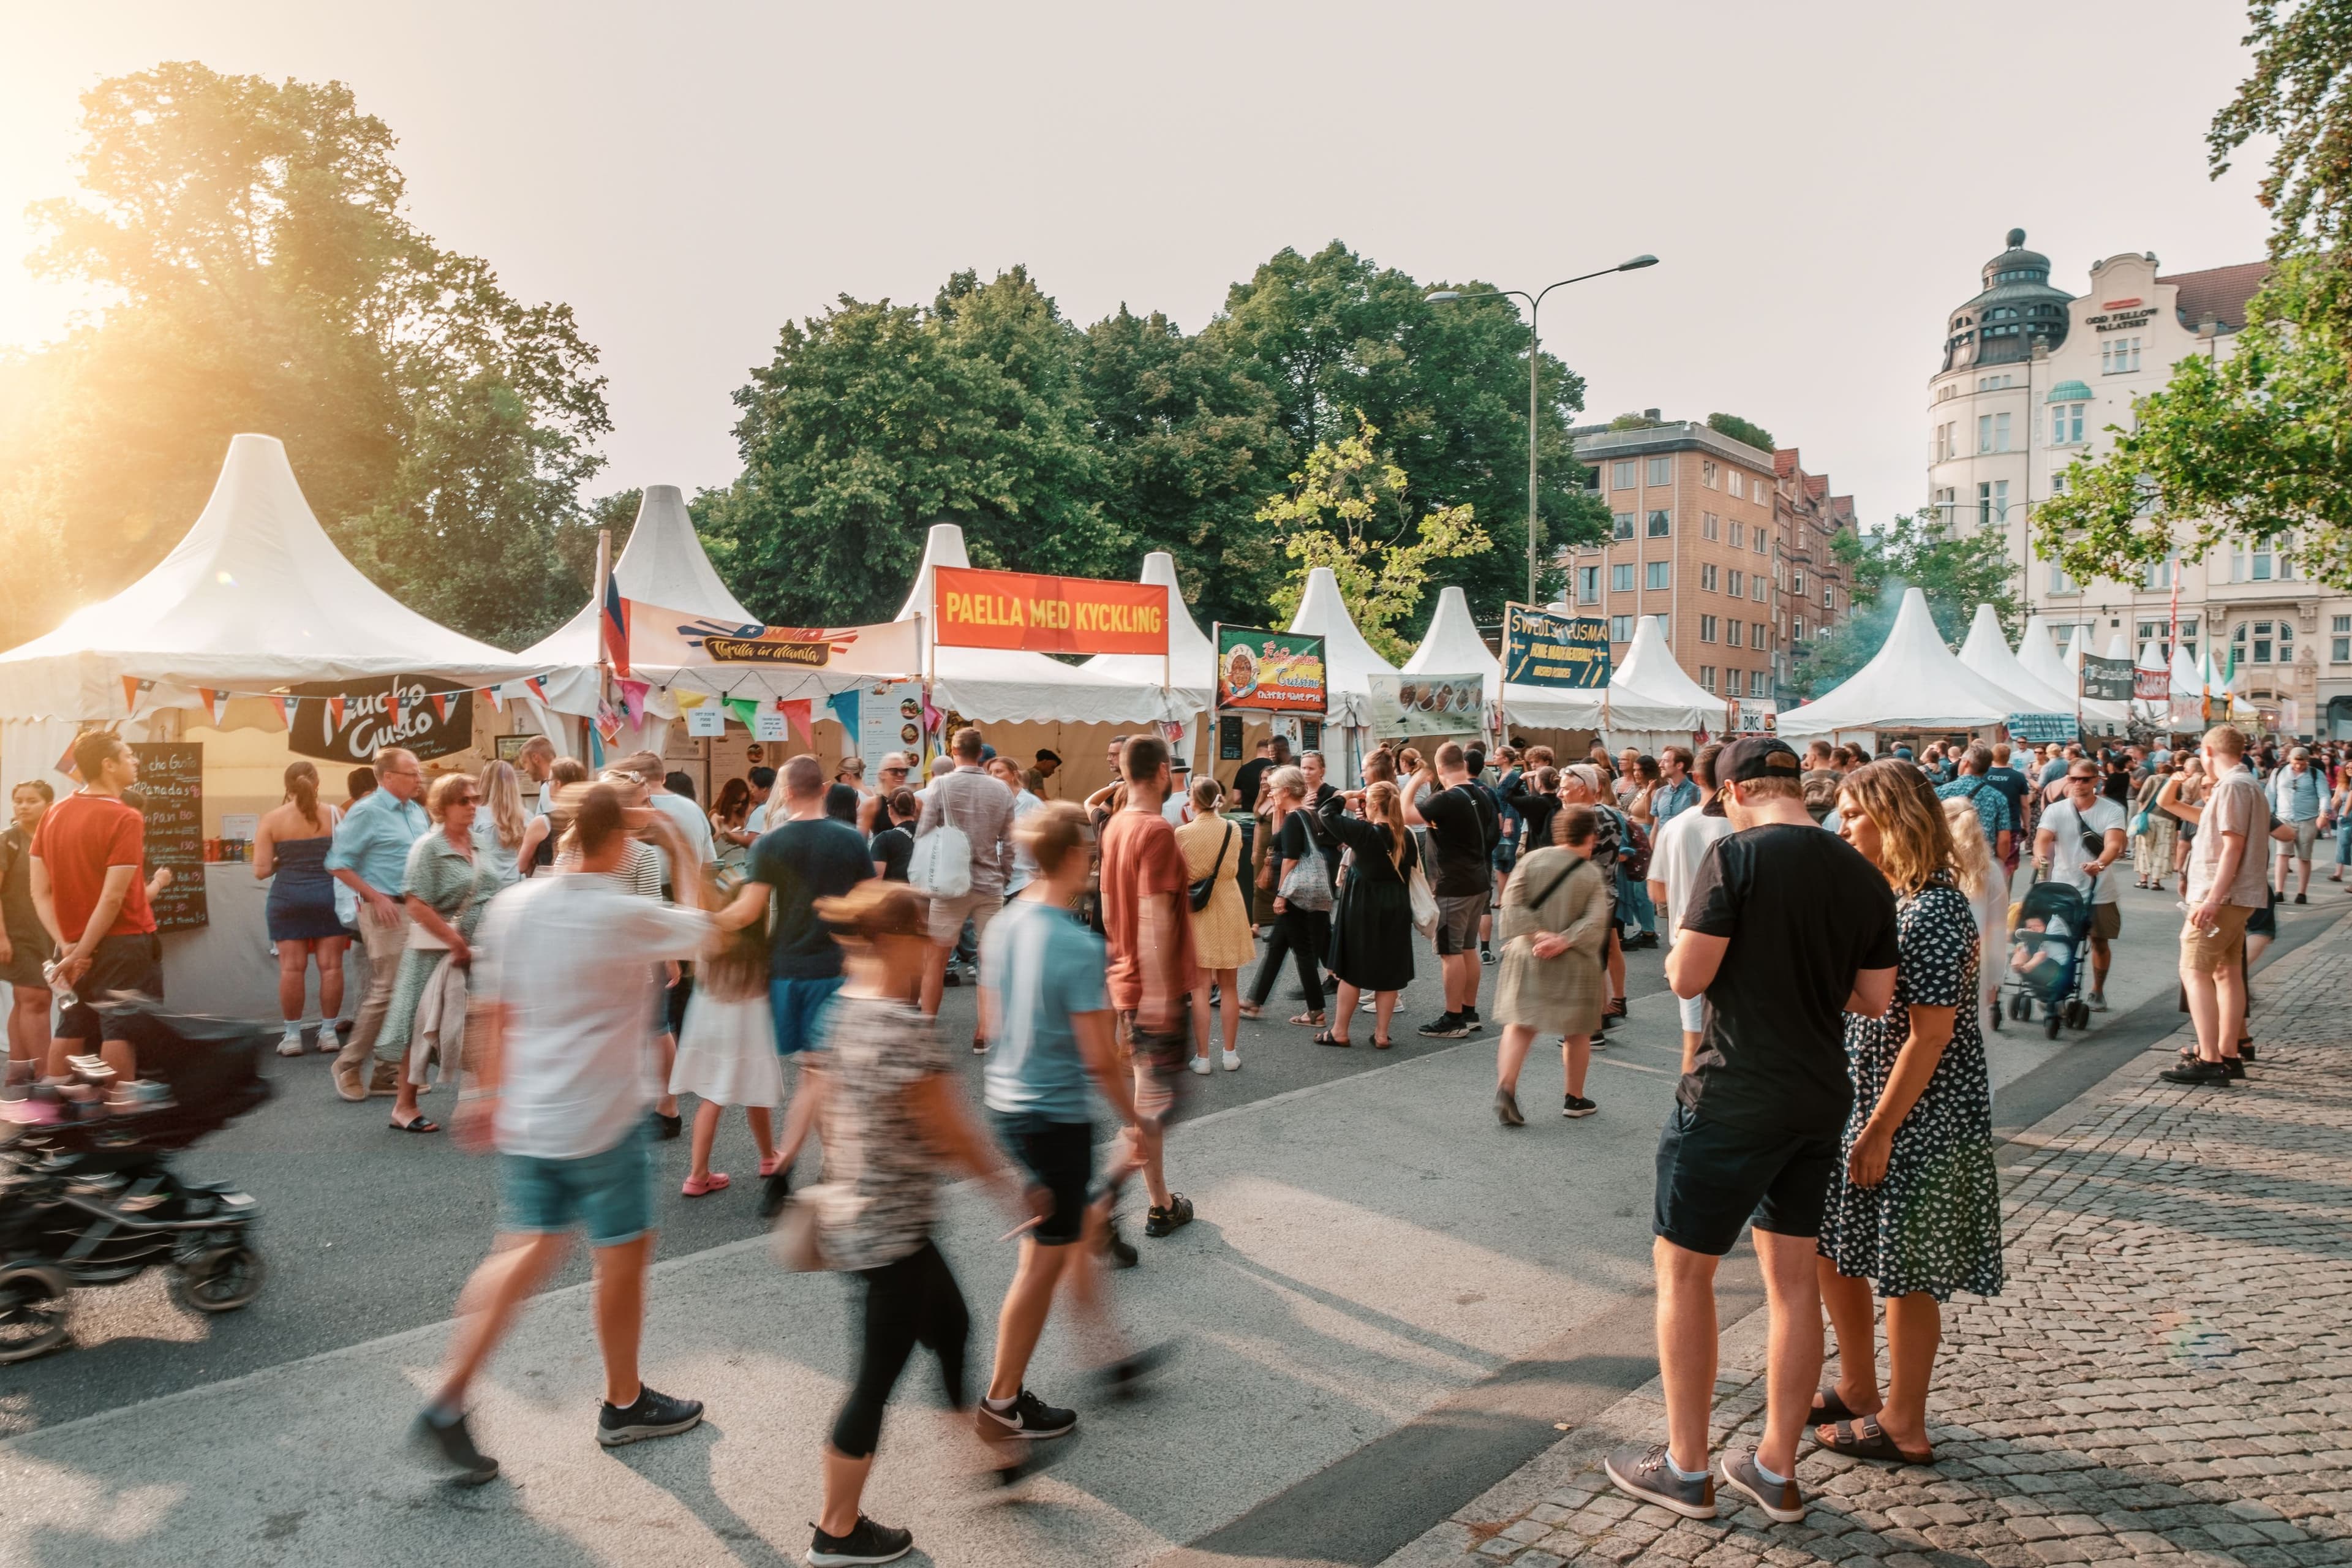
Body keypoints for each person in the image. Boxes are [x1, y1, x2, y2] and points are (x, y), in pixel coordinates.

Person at [1610, 736, 1896, 1525]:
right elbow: (1874, 999)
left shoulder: (1736, 857)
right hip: (1818, 1093)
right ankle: (1775, 1467)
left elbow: (1688, 976)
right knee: (1794, 1283)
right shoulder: (1861, 870)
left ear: (1732, 792)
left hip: (1734, 1090)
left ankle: (1687, 1467)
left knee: (1685, 1275)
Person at [411, 782, 715, 1488]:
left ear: (566, 835)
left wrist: (483, 1095)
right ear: (620, 841)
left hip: (530, 1110)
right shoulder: (622, 911)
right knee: (621, 1258)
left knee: (523, 1251)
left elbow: (495, 1009)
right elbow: (709, 930)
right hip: (602, 1116)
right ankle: (624, 1400)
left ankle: (449, 1395)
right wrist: (679, 846)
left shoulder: (514, 904)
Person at [758, 879, 1045, 1566]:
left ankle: (987, 1455)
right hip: (891, 1232)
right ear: (893, 941)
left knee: (951, 1328)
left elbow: (822, 1095)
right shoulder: (903, 1027)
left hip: (868, 1218)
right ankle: (836, 1528)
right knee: (875, 1380)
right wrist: (1017, 1191)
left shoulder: (845, 1010)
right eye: (922, 934)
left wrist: (797, 1163)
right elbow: (956, 1138)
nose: (931, 947)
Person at [1814, 761, 2003, 1466]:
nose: (1843, 825)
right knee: (1837, 1245)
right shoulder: (1895, 896)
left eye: (1856, 813)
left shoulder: (1935, 907)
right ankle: (1859, 1385)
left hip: (1917, 1109)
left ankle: (1904, 1422)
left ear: (1894, 820)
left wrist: (1881, 1128)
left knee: (1906, 1267)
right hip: (1871, 1097)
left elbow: (1931, 1033)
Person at [978, 801, 1157, 1460]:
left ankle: (1110, 1355)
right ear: (1079, 857)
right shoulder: (1080, 944)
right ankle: (1001, 1402)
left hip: (1009, 1102)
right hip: (1054, 1114)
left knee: (1075, 1231)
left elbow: (991, 1024)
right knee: (1042, 1262)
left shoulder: (1003, 924)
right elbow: (1100, 1055)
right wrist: (1135, 1122)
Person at [1096, 734, 1197, 1240]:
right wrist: (1160, 996)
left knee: (1150, 1101)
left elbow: (1114, 905)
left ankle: (1157, 1202)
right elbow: (1153, 912)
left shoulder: (1116, 824)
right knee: (1157, 1106)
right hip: (1151, 986)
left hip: (1126, 980)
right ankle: (1109, 1203)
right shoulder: (1156, 830)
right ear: (1161, 773)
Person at [29, 731, 165, 1101]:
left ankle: (53, 1114)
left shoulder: (53, 812)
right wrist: (79, 951)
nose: (135, 761)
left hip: (70, 942)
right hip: (122, 941)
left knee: (73, 1022)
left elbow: (39, 892)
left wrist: (68, 947)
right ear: (108, 764)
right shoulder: (125, 817)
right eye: (129, 755)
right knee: (119, 1029)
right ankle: (115, 1117)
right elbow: (113, 898)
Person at [377, 773, 506, 1135]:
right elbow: (415, 903)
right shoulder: (429, 847)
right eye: (463, 801)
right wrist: (455, 941)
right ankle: (404, 1106)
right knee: (419, 1027)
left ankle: (484, 1103)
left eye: (475, 799)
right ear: (442, 805)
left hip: (478, 952)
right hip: (438, 953)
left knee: (480, 1024)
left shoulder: (479, 843)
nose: (472, 807)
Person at [731, 755, 874, 1068]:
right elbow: (870, 904)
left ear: (786, 792)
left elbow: (747, 912)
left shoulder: (768, 845)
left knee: (814, 1066)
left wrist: (704, 922)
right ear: (824, 789)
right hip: (841, 963)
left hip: (789, 964)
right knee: (828, 1066)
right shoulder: (851, 839)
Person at [2159, 725, 2274, 1086]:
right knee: (2226, 972)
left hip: (2223, 896)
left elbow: (2232, 847)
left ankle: (2210, 1058)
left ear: (2208, 750)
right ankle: (2227, 1053)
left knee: (2193, 970)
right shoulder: (2241, 785)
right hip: (2236, 897)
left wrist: (2211, 898)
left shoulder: (2234, 787)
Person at [1491, 804, 1611, 1125]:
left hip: (1527, 954)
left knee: (1520, 1025)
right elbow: (1596, 918)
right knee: (1578, 1030)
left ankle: (1506, 1089)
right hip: (1574, 962)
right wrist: (1564, 939)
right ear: (1589, 837)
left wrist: (1537, 933)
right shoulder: (1589, 873)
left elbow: (1511, 905)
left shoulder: (1530, 860)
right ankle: (1574, 1097)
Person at [325, 746, 429, 1101]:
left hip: (415, 910)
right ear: (388, 778)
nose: (420, 779)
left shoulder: (416, 811)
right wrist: (375, 897)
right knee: (387, 990)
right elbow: (338, 863)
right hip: (384, 910)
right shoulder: (367, 812)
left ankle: (386, 1072)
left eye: (419, 773)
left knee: (411, 992)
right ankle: (348, 1064)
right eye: (412, 773)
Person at [668, 892, 783, 1198]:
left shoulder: (710, 944)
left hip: (711, 1033)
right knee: (756, 1094)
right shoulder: (761, 952)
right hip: (749, 1035)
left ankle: (698, 1175)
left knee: (712, 1097)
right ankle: (769, 1157)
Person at [916, 728, 1016, 1048]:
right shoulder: (1001, 790)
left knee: (936, 958)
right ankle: (983, 1033)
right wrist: (1005, 873)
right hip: (989, 883)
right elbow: (1010, 840)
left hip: (948, 884)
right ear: (981, 754)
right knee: (989, 960)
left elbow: (924, 834)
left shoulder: (940, 786)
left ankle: (927, 1027)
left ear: (954, 750)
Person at [1647, 744, 1735, 1073]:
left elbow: (1656, 891)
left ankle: (1689, 1112)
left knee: (1693, 1043)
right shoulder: (1742, 824)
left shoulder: (1676, 826)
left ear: (1697, 776)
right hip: (1736, 944)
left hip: (1688, 943)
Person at [253, 760, 349, 1057]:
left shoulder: (271, 819)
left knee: (291, 969)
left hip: (288, 899)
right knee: (331, 967)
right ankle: (329, 1033)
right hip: (328, 897)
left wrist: (287, 860)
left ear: (287, 787)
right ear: (317, 783)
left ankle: (293, 1037)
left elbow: (260, 870)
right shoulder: (336, 815)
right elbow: (349, 858)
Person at [1404, 742, 1498, 1039]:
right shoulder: (1480, 793)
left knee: (1450, 951)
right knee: (1468, 948)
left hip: (1453, 885)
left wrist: (1416, 781)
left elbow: (1406, 814)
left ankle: (1453, 1017)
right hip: (1478, 879)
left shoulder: (1445, 798)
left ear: (1440, 767)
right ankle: (1468, 1012)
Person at [1318, 779, 1416, 1049]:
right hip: (1396, 907)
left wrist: (1345, 796)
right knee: (1388, 970)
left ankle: (1340, 1031)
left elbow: (1325, 813)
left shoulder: (1363, 833)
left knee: (1351, 970)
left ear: (1372, 804)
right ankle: (1382, 1034)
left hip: (1363, 907)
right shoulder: (1406, 835)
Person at [2032, 761, 2128, 1011]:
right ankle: (2057, 989)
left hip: (2100, 889)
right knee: (2058, 942)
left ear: (2097, 780)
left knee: (2099, 941)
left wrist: (2100, 863)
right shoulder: (2056, 810)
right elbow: (2042, 841)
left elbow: (2114, 845)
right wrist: (2041, 860)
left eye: (2085, 779)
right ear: (2068, 779)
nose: (2079, 784)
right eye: (2074, 779)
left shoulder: (2111, 810)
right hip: (2064, 890)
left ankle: (2097, 990)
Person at [1243, 767, 1329, 1030]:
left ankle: (1316, 1011)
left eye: (1275, 789)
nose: (1271, 793)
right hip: (1305, 891)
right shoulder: (1305, 815)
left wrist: (1281, 894)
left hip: (1294, 892)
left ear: (1288, 790)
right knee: (1278, 947)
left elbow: (1291, 858)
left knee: (1302, 950)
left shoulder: (1295, 819)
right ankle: (1254, 1001)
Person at [1177, 776, 1251, 1072]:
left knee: (1200, 989)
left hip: (1199, 909)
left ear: (1192, 800)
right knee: (1230, 986)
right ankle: (1230, 1054)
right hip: (1230, 902)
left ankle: (1204, 1057)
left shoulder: (1182, 833)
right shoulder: (1233, 828)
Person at [1, 782, 56, 1077]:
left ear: (48, 804)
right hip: (16, 933)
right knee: (36, 998)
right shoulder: (7, 840)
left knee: (26, 999)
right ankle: (46, 1073)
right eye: (18, 800)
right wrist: (1, 936)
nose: (23, 806)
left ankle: (17, 1068)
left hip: (45, 933)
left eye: (31, 801)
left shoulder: (53, 839)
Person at [1943, 796, 2009, 1034]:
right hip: (1974, 969)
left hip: (1933, 968)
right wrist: (1993, 979)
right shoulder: (1991, 870)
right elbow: (1997, 929)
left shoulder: (1932, 866)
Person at [470, 760, 549, 891]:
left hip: (485, 890)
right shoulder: (528, 817)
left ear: (485, 783)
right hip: (517, 889)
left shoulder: (475, 816)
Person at [1934, 745, 2015, 868]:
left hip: (1948, 861)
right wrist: (1998, 865)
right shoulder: (1997, 797)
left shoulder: (1940, 792)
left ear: (1966, 763)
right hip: (1984, 862)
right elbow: (2004, 839)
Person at [2270, 746, 2325, 903]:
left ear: (2308, 761)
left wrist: (2323, 813)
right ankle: (2279, 891)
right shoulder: (2279, 773)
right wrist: (2269, 816)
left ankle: (2302, 893)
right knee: (2282, 855)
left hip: (2307, 820)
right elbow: (2271, 794)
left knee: (2304, 857)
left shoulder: (2316, 774)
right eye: (2296, 763)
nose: (2299, 767)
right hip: (2284, 818)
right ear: (2290, 760)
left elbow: (2324, 795)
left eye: (2303, 764)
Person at [2132, 760, 2177, 889]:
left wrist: (2141, 813)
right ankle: (2156, 882)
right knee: (2162, 849)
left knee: (2145, 848)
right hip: (2168, 818)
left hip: (2149, 816)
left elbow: (2141, 798)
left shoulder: (2152, 779)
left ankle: (2143, 880)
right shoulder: (2176, 783)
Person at [868, 788, 918, 884]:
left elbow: (876, 879)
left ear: (890, 810)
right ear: (914, 809)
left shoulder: (885, 839)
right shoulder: (928, 833)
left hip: (898, 897)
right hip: (926, 896)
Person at [709, 777, 755, 875]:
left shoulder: (743, 814)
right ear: (729, 799)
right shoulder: (716, 814)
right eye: (737, 801)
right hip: (724, 865)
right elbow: (713, 837)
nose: (739, 805)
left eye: (743, 802)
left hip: (743, 864)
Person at [1231, 737, 1278, 816]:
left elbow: (1236, 799)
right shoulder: (1276, 768)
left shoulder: (1243, 769)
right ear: (1271, 750)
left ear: (1258, 750)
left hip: (1247, 816)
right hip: (1269, 815)